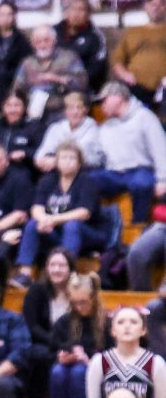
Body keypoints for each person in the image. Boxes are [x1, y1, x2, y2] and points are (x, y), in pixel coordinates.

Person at [12, 141, 110, 287]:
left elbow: (84, 213)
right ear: (57, 161)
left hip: (89, 233)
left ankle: (66, 273)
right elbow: (36, 208)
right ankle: (25, 273)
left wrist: (53, 219)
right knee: (33, 224)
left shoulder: (87, 181)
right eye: (63, 158)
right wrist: (44, 219)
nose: (67, 162)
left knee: (72, 226)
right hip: (57, 231)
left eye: (72, 158)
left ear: (79, 162)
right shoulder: (48, 180)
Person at [46, 272, 112, 398]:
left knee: (78, 372)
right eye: (74, 303)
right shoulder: (64, 321)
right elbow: (53, 348)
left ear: (94, 298)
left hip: (96, 371)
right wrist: (61, 357)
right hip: (68, 368)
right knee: (57, 371)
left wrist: (88, 360)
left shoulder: (106, 322)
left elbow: (112, 354)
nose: (79, 307)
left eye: (83, 302)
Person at [91, 81, 166, 224]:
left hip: (142, 170)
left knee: (141, 183)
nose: (102, 105)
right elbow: (97, 155)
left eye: (104, 100)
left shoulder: (144, 117)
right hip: (114, 173)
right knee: (89, 180)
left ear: (118, 97)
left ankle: (138, 227)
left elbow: (160, 150)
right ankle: (99, 226)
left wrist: (163, 180)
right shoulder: (106, 126)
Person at [86, 305, 166, 398]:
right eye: (120, 322)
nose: (127, 326)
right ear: (113, 330)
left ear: (143, 330)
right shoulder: (99, 361)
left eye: (133, 322)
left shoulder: (156, 363)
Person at [22, 247, 76, 398]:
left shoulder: (77, 291)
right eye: (52, 265)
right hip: (43, 342)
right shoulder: (36, 290)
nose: (56, 270)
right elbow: (32, 326)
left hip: (70, 343)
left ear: (70, 269)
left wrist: (67, 347)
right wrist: (57, 344)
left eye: (61, 265)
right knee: (42, 356)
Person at [12, 25, 87, 122]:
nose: (42, 45)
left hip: (62, 111)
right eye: (38, 41)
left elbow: (82, 83)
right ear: (33, 44)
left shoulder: (69, 58)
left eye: (46, 40)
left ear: (54, 40)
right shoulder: (27, 63)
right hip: (34, 112)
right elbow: (17, 89)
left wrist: (58, 79)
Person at [112, 0, 166, 107]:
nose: (156, 8)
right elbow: (117, 61)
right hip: (136, 89)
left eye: (160, 4)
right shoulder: (133, 32)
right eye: (152, 4)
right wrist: (125, 74)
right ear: (145, 7)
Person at [34, 91, 103, 172]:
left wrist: (56, 161)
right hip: (57, 171)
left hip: (84, 172)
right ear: (65, 111)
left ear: (85, 110)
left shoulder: (93, 129)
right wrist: (43, 161)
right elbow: (40, 155)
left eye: (79, 107)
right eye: (71, 108)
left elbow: (85, 157)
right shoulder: (56, 128)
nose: (75, 112)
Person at [0, 90, 43, 175]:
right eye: (8, 105)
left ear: (24, 107)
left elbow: (41, 151)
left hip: (21, 170)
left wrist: (25, 153)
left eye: (17, 105)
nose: (12, 110)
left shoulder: (34, 127)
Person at [54, 0, 107, 93]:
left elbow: (97, 69)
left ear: (88, 14)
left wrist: (74, 82)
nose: (76, 13)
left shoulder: (96, 37)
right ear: (66, 12)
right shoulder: (53, 32)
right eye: (73, 9)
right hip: (53, 83)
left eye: (81, 10)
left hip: (82, 87)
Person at [127, 212, 166, 291]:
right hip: (142, 257)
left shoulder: (152, 228)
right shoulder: (163, 232)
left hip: (131, 253)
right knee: (144, 292)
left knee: (138, 290)